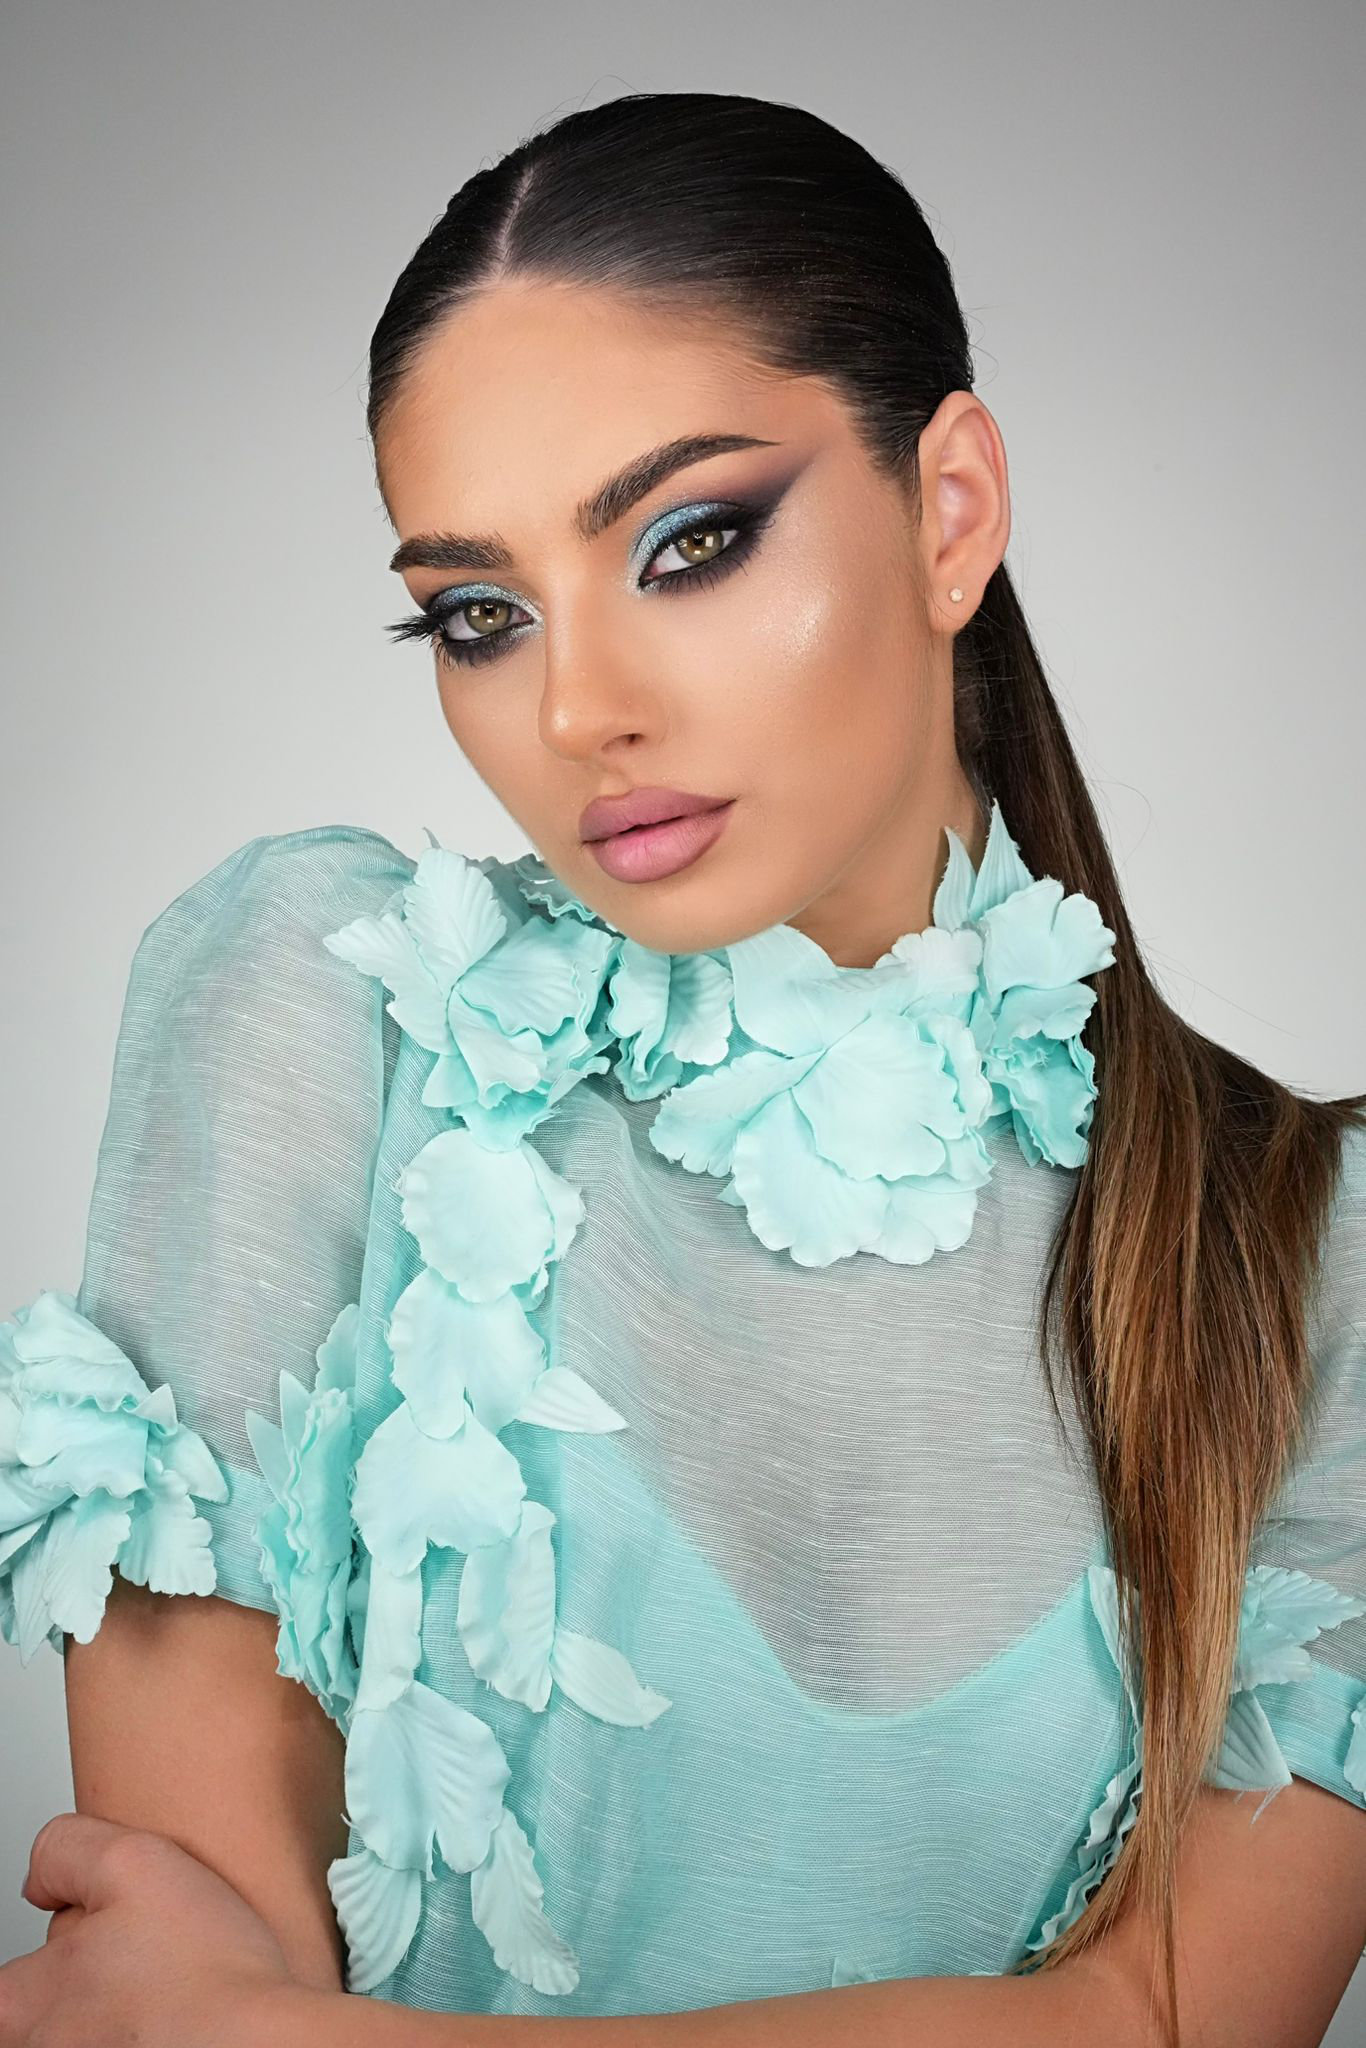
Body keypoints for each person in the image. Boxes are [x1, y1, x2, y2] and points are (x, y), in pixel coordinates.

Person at [2, 90, 1364, 2048]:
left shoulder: (1308, 1260)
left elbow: (1167, 2026)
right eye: (480, 615)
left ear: (950, 509)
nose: (577, 708)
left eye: (688, 540)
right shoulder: (317, 1008)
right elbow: (178, 1995)